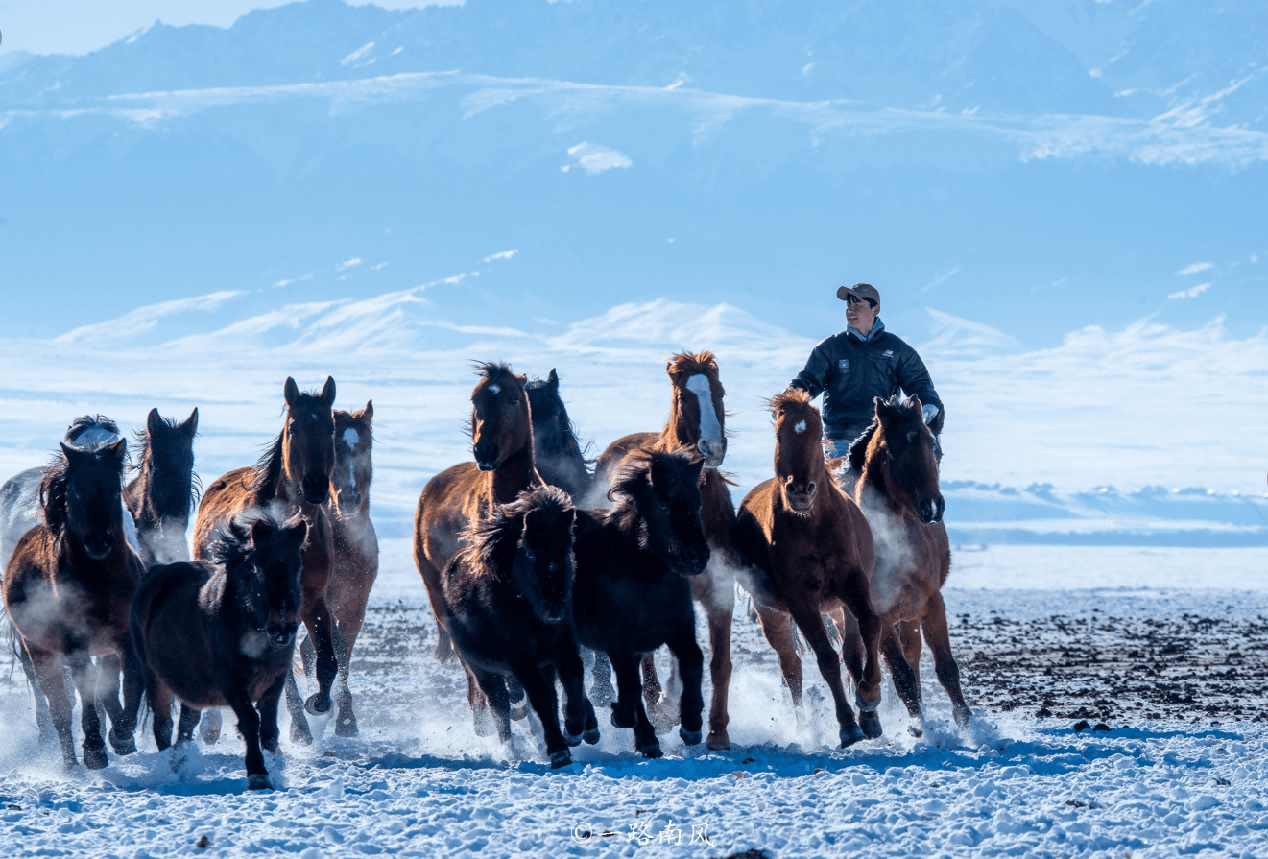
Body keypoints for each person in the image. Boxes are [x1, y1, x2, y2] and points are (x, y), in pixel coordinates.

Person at [788, 282, 943, 461]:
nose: (850, 310)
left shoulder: (897, 350)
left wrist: (930, 402)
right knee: (839, 488)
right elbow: (808, 381)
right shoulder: (830, 349)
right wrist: (788, 400)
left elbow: (919, 382)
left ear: (875, 309)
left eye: (857, 304)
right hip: (839, 441)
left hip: (883, 439)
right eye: (848, 305)